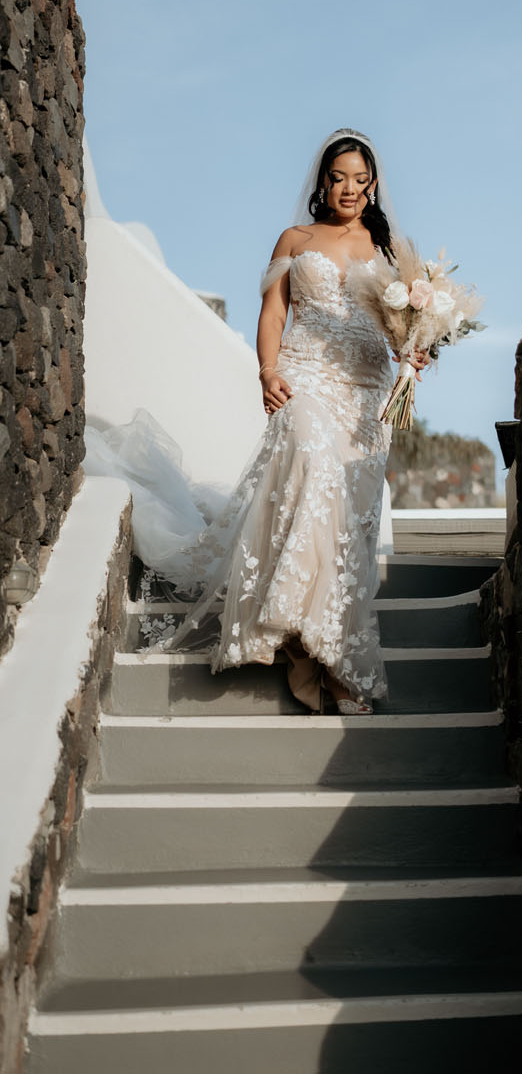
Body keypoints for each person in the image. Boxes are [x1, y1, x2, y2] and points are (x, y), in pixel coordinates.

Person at [86, 127, 415, 715]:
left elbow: (404, 329)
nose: (350, 190)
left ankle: (336, 653)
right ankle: (295, 638)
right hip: (307, 376)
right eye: (339, 178)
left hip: (368, 393)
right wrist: (267, 372)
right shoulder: (295, 237)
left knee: (349, 522)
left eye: (360, 181)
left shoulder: (390, 251)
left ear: (372, 187)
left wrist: (417, 348)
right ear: (322, 182)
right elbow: (274, 311)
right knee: (314, 476)